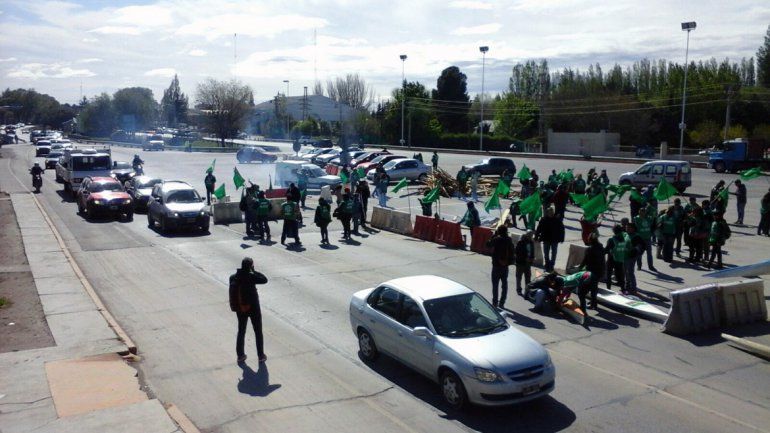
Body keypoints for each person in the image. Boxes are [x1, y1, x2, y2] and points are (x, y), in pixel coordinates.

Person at [230, 257, 268, 363]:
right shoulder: (251, 276)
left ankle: (240, 355)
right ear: (251, 266)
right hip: (254, 308)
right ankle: (260, 355)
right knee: (258, 331)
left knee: (241, 330)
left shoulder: (233, 277)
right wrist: (254, 271)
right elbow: (264, 279)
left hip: (240, 308)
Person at [485, 226, 514, 309]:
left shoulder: (496, 239)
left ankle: (495, 303)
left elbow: (488, 244)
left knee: (495, 285)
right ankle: (502, 302)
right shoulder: (509, 239)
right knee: (504, 285)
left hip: (496, 265)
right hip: (505, 266)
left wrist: (493, 236)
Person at [580, 232, 605, 311]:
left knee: (589, 288)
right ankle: (593, 302)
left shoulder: (589, 249)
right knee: (594, 287)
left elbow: (585, 260)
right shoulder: (601, 247)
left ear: (590, 240)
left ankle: (593, 304)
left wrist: (579, 268)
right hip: (600, 270)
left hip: (592, 271)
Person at [535, 207, 565, 272]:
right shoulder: (543, 219)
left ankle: (552, 265)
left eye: (552, 212)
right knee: (546, 253)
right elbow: (538, 229)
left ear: (553, 213)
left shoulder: (557, 220)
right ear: (547, 212)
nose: (551, 213)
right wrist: (536, 237)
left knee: (554, 253)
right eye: (549, 212)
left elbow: (562, 230)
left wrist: (562, 238)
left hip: (554, 240)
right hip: (546, 239)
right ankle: (547, 264)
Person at [605, 224, 629, 292]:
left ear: (613, 231)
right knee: (620, 275)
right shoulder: (624, 239)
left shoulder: (611, 240)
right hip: (620, 259)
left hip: (611, 259)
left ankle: (608, 289)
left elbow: (606, 250)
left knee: (609, 275)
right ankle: (623, 289)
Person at [633, 207, 656, 271]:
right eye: (641, 212)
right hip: (640, 239)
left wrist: (650, 206)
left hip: (648, 238)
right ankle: (639, 265)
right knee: (639, 253)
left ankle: (651, 266)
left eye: (644, 212)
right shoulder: (636, 219)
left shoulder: (648, 218)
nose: (643, 214)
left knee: (649, 253)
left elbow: (654, 215)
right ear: (639, 212)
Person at [514, 230, 535, 296]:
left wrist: (532, 258)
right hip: (521, 262)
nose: (531, 237)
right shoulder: (521, 242)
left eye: (532, 235)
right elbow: (517, 252)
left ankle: (527, 291)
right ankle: (519, 290)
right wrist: (524, 257)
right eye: (530, 235)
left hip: (528, 263)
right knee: (519, 277)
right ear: (527, 235)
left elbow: (532, 251)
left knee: (528, 277)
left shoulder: (531, 242)